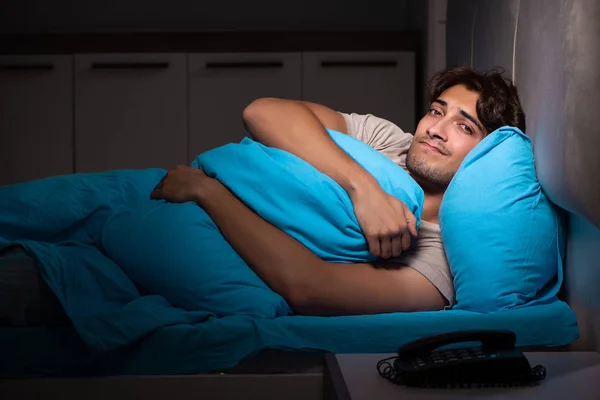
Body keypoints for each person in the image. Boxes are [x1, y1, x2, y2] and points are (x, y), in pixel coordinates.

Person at [151, 66, 527, 316]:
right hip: (164, 191)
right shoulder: (390, 142)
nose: (435, 128)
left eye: (465, 127)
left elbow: (310, 288)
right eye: (435, 111)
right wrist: (364, 188)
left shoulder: (440, 256)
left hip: (191, 220)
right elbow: (261, 112)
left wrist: (209, 194)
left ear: (488, 153)